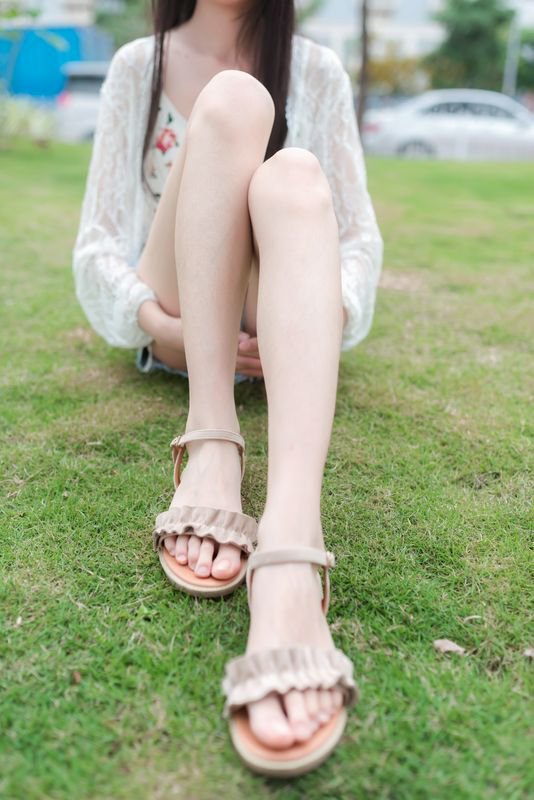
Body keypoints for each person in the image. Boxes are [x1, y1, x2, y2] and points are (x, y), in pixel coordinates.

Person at [72, 0, 383, 777]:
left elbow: (357, 245)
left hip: (270, 307)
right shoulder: (137, 67)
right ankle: (213, 440)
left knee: (296, 174)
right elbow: (97, 248)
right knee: (237, 100)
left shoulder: (317, 70)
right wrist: (157, 325)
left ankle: (289, 547)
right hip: (179, 301)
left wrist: (313, 320)